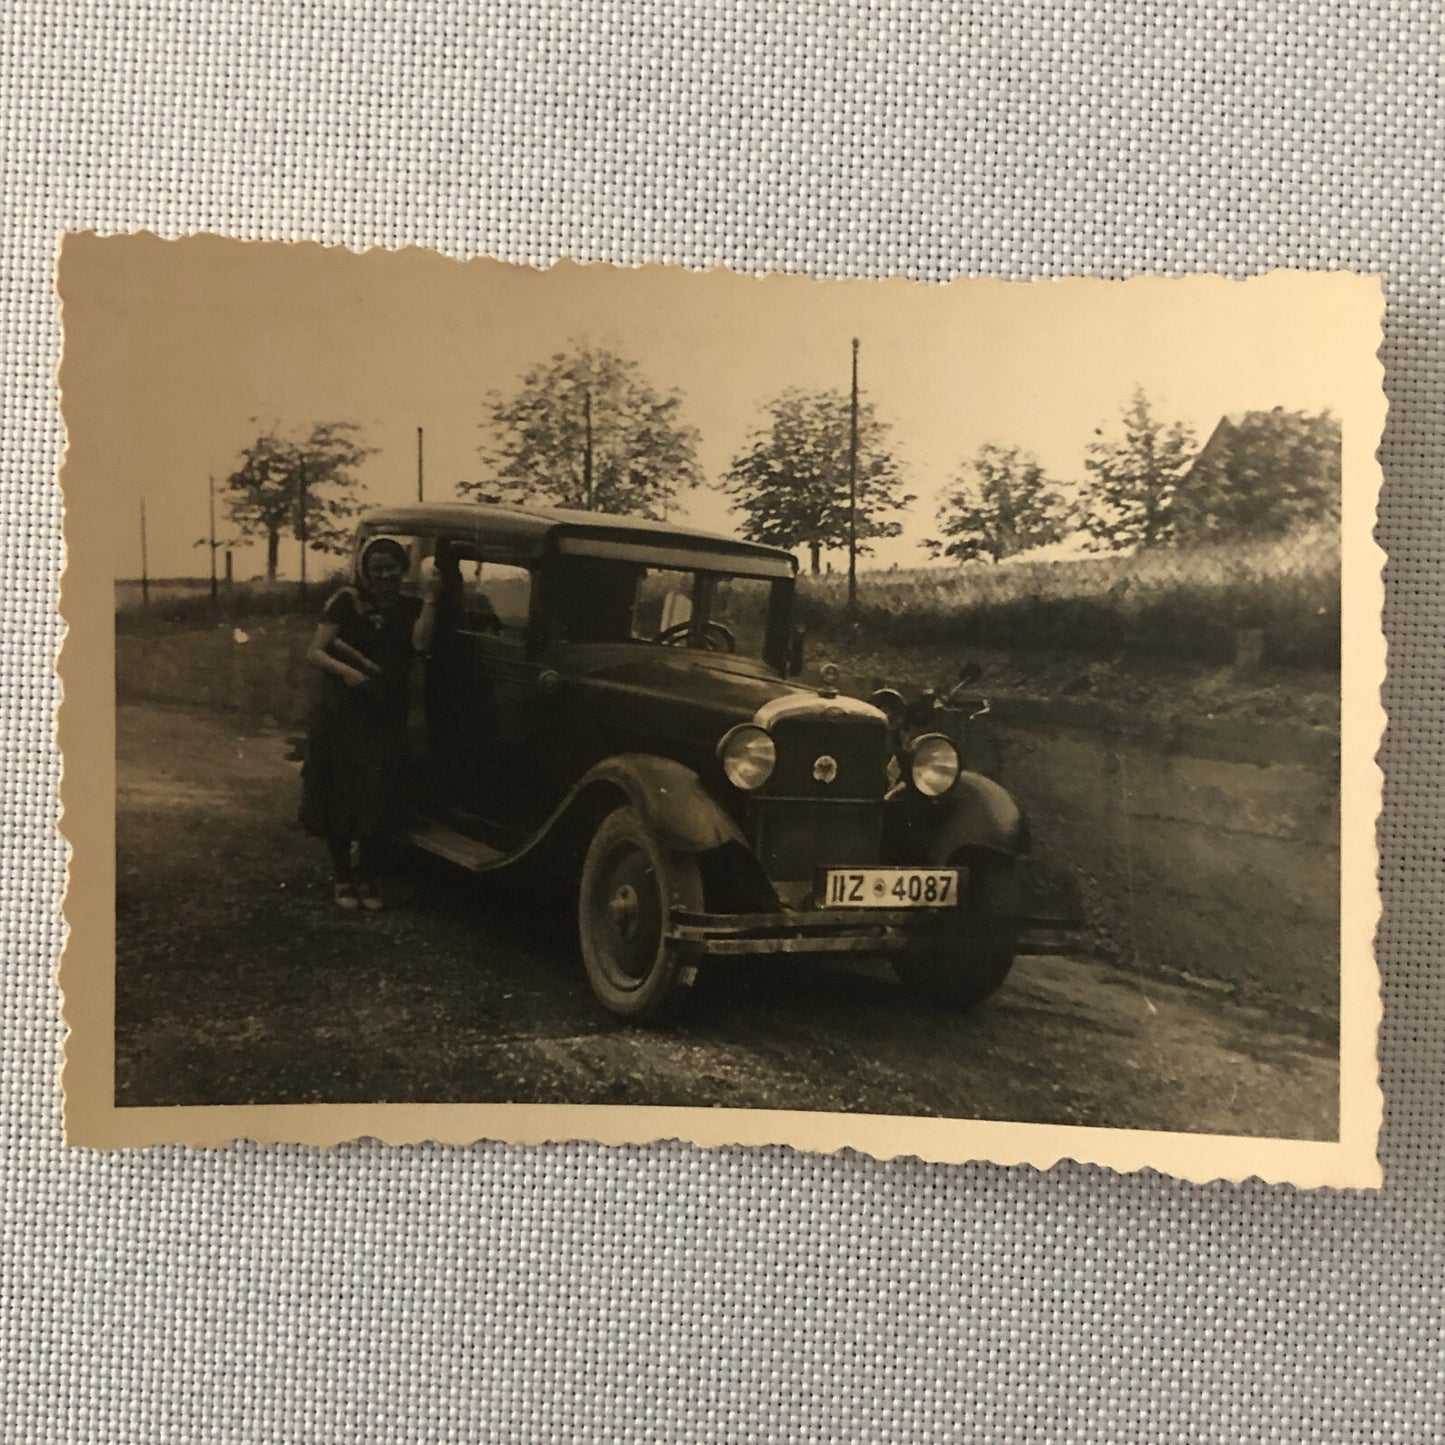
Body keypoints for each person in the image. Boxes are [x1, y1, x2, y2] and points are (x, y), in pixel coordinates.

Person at [299, 537, 439, 910]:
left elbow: (421, 644)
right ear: (365, 571)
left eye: (391, 568)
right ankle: (343, 877)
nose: (384, 576)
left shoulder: (410, 606)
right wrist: (347, 673)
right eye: (376, 569)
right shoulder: (346, 601)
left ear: (402, 569)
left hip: (384, 710)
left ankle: (367, 875)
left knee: (378, 790)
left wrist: (430, 598)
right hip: (342, 709)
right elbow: (316, 651)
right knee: (341, 789)